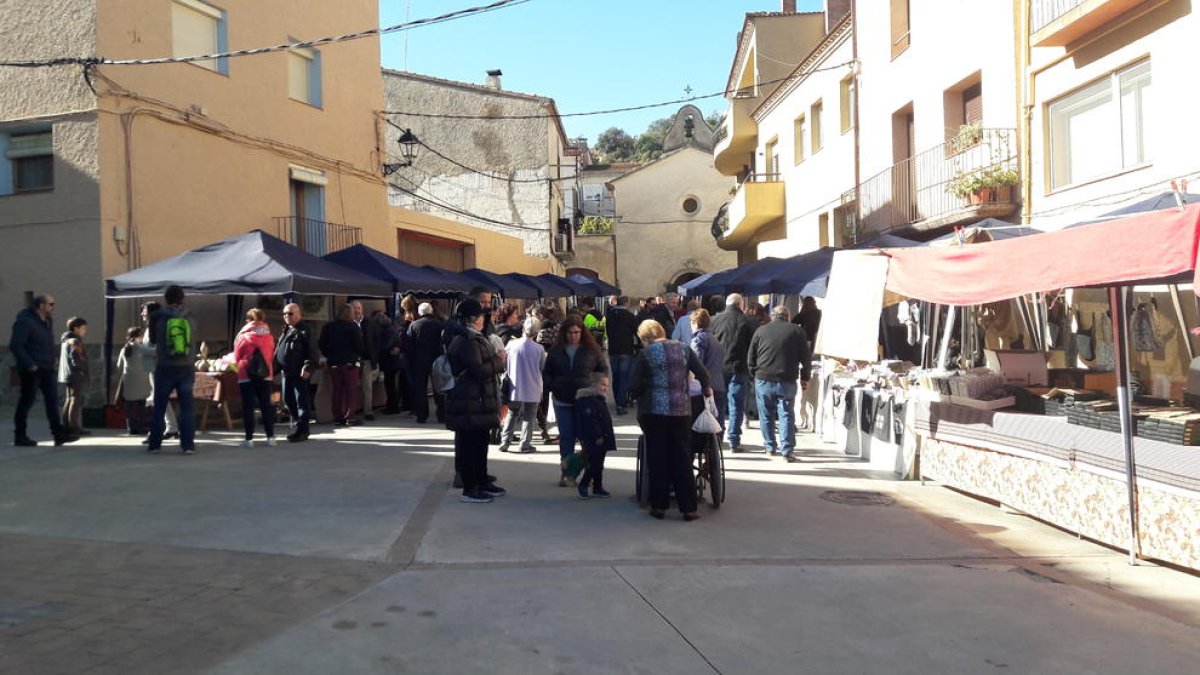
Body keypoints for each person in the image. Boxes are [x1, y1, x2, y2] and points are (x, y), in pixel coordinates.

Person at [629, 319, 710, 521]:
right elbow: (702, 372)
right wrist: (706, 389)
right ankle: (688, 508)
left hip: (654, 411)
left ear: (646, 338)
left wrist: (638, 393)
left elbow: (634, 384)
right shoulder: (684, 348)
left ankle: (659, 506)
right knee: (682, 456)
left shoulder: (646, 354)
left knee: (658, 457)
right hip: (681, 410)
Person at [444, 299, 507, 503]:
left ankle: (481, 480)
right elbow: (478, 370)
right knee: (470, 446)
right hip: (469, 400)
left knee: (480, 443)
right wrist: (498, 361)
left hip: (477, 400)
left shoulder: (473, 338)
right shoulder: (466, 341)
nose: (483, 320)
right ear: (473, 319)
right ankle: (471, 487)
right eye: (480, 316)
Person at [543, 315, 609, 487]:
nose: (574, 336)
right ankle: (566, 473)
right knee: (566, 437)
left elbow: (602, 369)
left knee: (586, 438)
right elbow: (546, 372)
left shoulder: (591, 349)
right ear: (564, 333)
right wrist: (552, 385)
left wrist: (598, 384)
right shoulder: (556, 351)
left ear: (582, 332)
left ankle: (588, 474)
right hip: (561, 399)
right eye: (570, 332)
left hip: (584, 399)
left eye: (577, 332)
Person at [747, 305, 813, 462]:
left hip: (763, 378)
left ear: (773, 315)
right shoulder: (797, 332)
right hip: (787, 380)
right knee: (786, 414)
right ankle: (787, 450)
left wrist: (753, 375)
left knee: (766, 414)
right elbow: (806, 358)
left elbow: (751, 356)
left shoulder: (761, 331)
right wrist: (805, 377)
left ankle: (770, 447)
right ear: (788, 316)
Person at [10, 294, 74, 447]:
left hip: (47, 367)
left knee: (52, 401)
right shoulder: (25, 321)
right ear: (41, 305)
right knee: (26, 402)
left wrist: (54, 357)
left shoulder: (47, 321)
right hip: (32, 369)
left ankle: (58, 434)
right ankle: (20, 435)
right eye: (51, 304)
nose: (53, 307)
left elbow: (47, 341)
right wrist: (29, 364)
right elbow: (16, 345)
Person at [147, 285, 197, 455]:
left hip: (164, 365)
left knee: (159, 406)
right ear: (182, 298)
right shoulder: (190, 314)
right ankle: (188, 445)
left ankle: (155, 444)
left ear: (166, 299)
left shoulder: (156, 316)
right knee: (187, 407)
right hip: (186, 366)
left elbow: (153, 340)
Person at [709, 293, 758, 452]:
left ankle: (718, 437)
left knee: (719, 404)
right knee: (736, 404)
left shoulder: (714, 320)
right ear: (740, 305)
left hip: (719, 368)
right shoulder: (749, 322)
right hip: (740, 367)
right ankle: (734, 440)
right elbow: (753, 346)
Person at [498, 317, 544, 454]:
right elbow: (542, 367)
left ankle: (505, 442)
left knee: (512, 413)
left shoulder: (512, 344)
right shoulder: (539, 349)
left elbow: (504, 364)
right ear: (536, 333)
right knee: (530, 416)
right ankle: (524, 445)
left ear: (523, 329)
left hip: (515, 384)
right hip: (533, 385)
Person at [232, 308, 276, 447]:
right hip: (265, 375)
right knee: (266, 406)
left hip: (246, 375)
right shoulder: (269, 337)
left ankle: (249, 439)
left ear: (248, 321)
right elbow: (271, 355)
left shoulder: (243, 336)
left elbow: (236, 356)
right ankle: (270, 438)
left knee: (248, 407)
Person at [320, 303, 366, 427]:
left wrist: (329, 354)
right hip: (350, 363)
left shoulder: (329, 327)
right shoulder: (353, 327)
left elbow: (322, 344)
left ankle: (338, 417)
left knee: (337, 390)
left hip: (334, 363)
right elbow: (360, 346)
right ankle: (350, 416)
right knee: (350, 391)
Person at [275, 302, 316, 442]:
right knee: (288, 399)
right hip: (286, 371)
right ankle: (301, 425)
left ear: (299, 314)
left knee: (301, 401)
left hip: (299, 371)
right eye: (285, 313)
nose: (287, 316)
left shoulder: (305, 330)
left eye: (290, 313)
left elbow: (311, 351)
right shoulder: (286, 329)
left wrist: (307, 366)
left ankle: (302, 429)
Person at [139, 301, 178, 444]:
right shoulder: (154, 327)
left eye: (144, 311)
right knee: (161, 399)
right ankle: (171, 427)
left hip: (159, 368)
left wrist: (139, 348)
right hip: (155, 368)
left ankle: (156, 431)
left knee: (158, 400)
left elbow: (159, 350)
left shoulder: (157, 328)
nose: (142, 314)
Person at [574, 372, 616, 500]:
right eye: (603, 384)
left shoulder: (597, 399)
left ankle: (598, 487)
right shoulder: (589, 400)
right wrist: (598, 435)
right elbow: (591, 420)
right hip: (595, 437)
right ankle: (584, 484)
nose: (605, 388)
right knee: (595, 464)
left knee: (598, 463)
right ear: (594, 385)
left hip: (602, 436)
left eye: (607, 386)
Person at [407, 302, 445, 424]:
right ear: (431, 311)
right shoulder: (439, 325)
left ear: (419, 313)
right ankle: (441, 414)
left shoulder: (414, 325)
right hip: (437, 360)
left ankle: (421, 415)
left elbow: (408, 345)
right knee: (439, 388)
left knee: (420, 389)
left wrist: (410, 360)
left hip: (419, 361)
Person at [689, 309, 727, 427]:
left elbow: (696, 365)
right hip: (719, 383)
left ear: (695, 323)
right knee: (717, 421)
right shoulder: (715, 339)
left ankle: (708, 444)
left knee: (702, 423)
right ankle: (718, 444)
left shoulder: (698, 339)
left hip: (704, 386)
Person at [604, 295, 639, 415]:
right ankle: (621, 403)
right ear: (626, 303)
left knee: (616, 376)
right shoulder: (630, 316)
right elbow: (637, 331)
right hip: (626, 349)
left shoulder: (609, 316)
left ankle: (617, 400)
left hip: (613, 349)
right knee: (624, 377)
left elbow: (607, 331)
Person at [57, 316, 91, 437]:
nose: (85, 331)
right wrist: (82, 370)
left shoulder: (66, 339)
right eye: (83, 328)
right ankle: (73, 427)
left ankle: (67, 425)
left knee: (69, 399)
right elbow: (76, 358)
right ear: (76, 328)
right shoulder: (75, 341)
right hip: (75, 374)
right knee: (74, 400)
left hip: (67, 373)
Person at [117, 327, 152, 435]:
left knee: (130, 405)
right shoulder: (143, 348)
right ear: (140, 336)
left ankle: (131, 427)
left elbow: (119, 366)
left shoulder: (124, 349)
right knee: (141, 405)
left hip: (129, 380)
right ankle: (141, 427)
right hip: (142, 379)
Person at [533, 306, 559, 444]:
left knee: (539, 400)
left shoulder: (541, 328)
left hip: (542, 367)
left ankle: (542, 428)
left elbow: (539, 346)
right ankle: (543, 428)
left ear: (539, 315)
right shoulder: (557, 326)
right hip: (553, 367)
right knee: (546, 398)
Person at [351, 300, 378, 421]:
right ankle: (351, 411)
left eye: (358, 308)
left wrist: (374, 360)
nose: (357, 310)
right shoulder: (347, 323)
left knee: (367, 387)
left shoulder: (369, 322)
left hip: (367, 359)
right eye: (355, 308)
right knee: (351, 386)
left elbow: (375, 341)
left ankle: (368, 411)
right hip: (352, 359)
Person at [376, 311, 404, 415]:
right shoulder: (392, 329)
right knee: (391, 384)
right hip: (393, 361)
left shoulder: (387, 331)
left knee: (390, 385)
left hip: (390, 362)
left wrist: (378, 347)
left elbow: (387, 344)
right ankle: (392, 405)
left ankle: (392, 407)